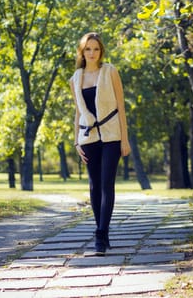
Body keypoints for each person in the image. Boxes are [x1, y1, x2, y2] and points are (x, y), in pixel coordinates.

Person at [70, 32, 131, 256]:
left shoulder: (110, 71)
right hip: (88, 138)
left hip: (112, 135)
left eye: (96, 49)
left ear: (101, 51)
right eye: (88, 49)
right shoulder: (76, 77)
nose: (92, 53)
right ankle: (101, 231)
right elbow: (78, 112)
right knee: (94, 186)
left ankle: (100, 236)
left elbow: (121, 107)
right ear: (82, 51)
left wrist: (125, 139)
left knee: (107, 184)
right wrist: (76, 141)